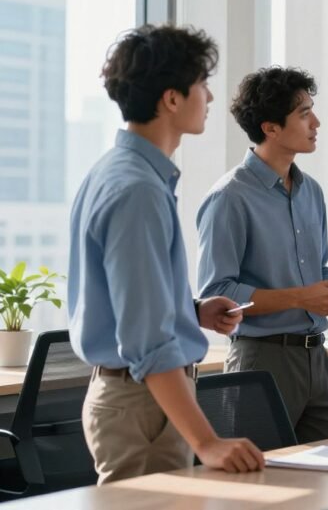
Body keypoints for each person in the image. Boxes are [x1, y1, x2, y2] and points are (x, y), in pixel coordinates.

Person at [68, 25, 265, 483]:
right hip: (142, 401)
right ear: (172, 98)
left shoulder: (119, 172)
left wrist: (190, 311)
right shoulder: (137, 189)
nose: (211, 98)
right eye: (202, 84)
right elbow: (147, 339)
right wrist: (208, 442)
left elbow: (128, 300)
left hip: (140, 397)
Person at [197, 67, 328, 443]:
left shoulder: (311, 191)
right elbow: (218, 292)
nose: (315, 122)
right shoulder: (229, 198)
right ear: (270, 127)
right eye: (304, 114)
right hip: (261, 360)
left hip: (316, 359)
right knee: (260, 491)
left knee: (324, 486)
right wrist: (302, 297)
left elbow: (319, 269)